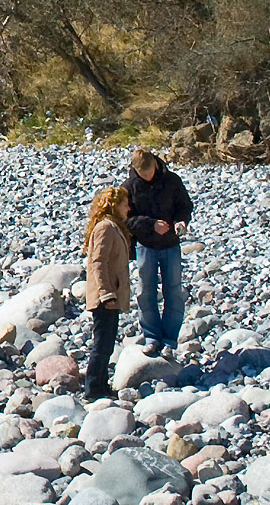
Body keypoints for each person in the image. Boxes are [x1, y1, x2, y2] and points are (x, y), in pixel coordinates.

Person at [124, 148, 193, 355]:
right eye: (143, 175)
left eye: (150, 172)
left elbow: (185, 206)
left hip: (171, 244)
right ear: (136, 170)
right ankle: (152, 337)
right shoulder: (129, 187)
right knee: (146, 292)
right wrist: (150, 224)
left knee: (174, 291)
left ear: (155, 164)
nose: (148, 177)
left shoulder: (172, 180)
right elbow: (125, 219)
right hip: (146, 246)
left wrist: (182, 221)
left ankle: (170, 340)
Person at [83, 186, 134, 400]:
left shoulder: (114, 227)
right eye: (125, 204)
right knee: (102, 343)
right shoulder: (105, 227)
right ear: (114, 205)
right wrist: (106, 294)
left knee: (107, 343)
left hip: (111, 295)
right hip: (105, 298)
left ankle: (101, 386)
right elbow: (98, 262)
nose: (129, 208)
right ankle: (93, 389)